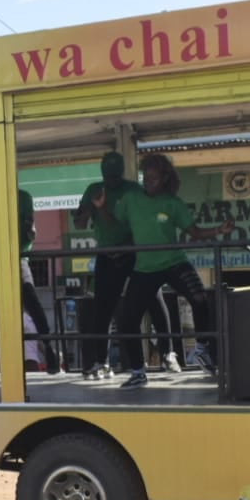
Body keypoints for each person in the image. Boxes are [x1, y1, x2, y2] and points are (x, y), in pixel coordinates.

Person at [97, 153, 233, 390]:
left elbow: (196, 233)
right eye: (145, 177)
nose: (148, 182)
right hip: (145, 268)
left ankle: (201, 349)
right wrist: (101, 209)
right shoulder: (131, 199)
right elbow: (116, 224)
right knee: (128, 319)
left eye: (153, 178)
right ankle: (138, 372)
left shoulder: (173, 204)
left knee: (199, 298)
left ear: (165, 179)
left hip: (174, 262)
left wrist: (219, 229)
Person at [72, 152, 181, 380]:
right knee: (103, 307)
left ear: (120, 172)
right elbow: (79, 223)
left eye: (114, 176)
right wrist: (86, 210)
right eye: (107, 175)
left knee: (154, 299)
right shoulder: (94, 189)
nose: (110, 180)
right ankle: (101, 362)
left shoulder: (133, 190)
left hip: (133, 252)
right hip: (107, 255)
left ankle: (168, 353)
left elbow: (144, 220)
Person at [0, 184, 60, 374]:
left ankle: (49, 349)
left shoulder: (23, 197)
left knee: (31, 299)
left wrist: (27, 231)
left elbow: (29, 232)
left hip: (17, 257)